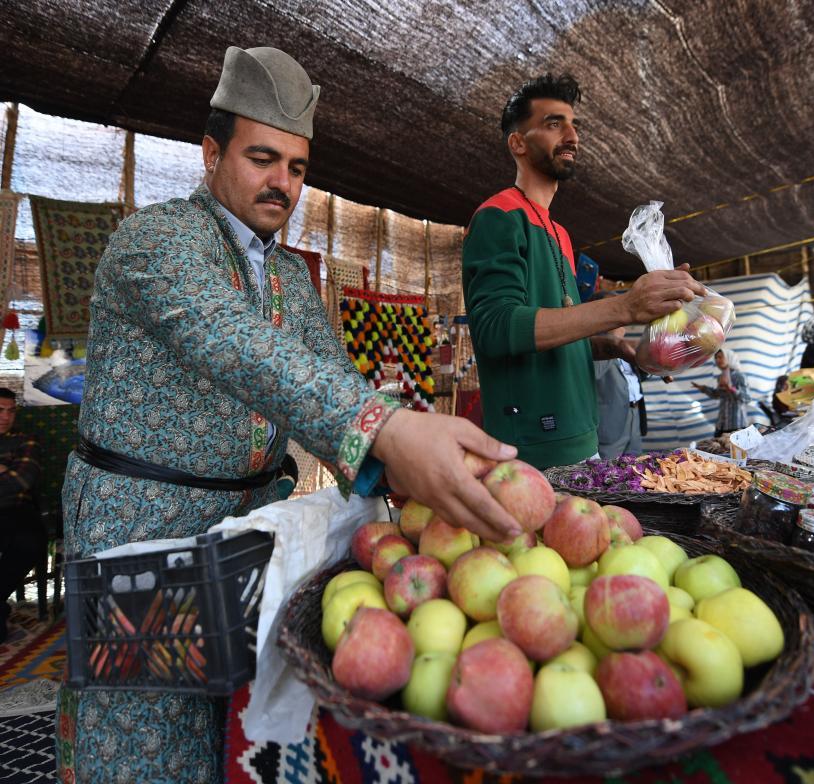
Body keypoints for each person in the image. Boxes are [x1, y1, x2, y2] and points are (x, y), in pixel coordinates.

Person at [57, 47, 521, 784]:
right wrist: (388, 431)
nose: (282, 182)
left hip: (249, 533)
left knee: (232, 734)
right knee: (147, 740)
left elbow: (329, 381)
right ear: (212, 154)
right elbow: (233, 342)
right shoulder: (155, 240)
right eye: (262, 158)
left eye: (297, 167)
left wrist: (400, 468)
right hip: (141, 529)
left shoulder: (287, 275)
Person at [462, 73, 705, 468]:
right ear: (518, 143)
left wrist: (611, 348)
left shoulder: (560, 234)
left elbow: (555, 330)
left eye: (574, 125)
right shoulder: (499, 216)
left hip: (584, 439)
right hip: (532, 454)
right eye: (554, 124)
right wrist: (624, 307)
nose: (572, 136)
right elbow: (496, 328)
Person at [0, 388, 46, 643]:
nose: (6, 417)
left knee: (30, 543)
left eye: (11, 411)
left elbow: (23, 480)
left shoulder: (26, 441)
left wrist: (9, 474)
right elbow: (13, 479)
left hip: (17, 509)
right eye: (0, 410)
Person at [594, 324, 647, 459]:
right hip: (611, 421)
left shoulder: (626, 343)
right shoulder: (594, 343)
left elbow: (633, 378)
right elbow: (595, 372)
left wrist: (651, 367)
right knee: (608, 468)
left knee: (636, 465)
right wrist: (613, 340)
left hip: (634, 413)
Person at [691, 349, 750, 437]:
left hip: (737, 424)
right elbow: (717, 395)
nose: (717, 360)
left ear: (729, 358)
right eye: (716, 358)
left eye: (720, 357)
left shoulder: (740, 376)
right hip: (722, 424)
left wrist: (731, 389)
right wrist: (703, 388)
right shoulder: (721, 377)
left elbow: (747, 399)